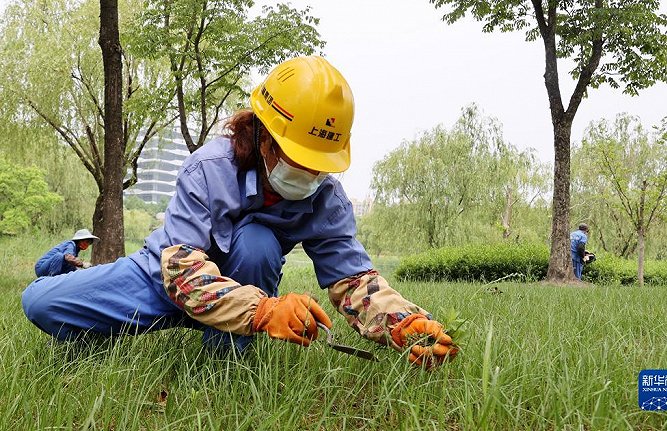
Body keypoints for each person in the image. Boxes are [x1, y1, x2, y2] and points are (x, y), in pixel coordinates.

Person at [21, 56, 458, 368]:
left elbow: (354, 280)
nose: (310, 174)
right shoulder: (208, 168)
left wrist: (402, 322)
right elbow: (180, 270)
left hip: (241, 290)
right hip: (163, 278)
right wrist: (264, 312)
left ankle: (225, 362)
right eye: (299, 158)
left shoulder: (327, 198)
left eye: (320, 164)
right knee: (40, 302)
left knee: (258, 243)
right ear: (263, 137)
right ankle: (100, 331)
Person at [34, 229, 99, 277]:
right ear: (79, 240)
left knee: (72, 267)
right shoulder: (71, 244)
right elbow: (68, 257)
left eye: (90, 242)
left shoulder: (75, 251)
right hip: (41, 268)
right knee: (59, 256)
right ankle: (52, 279)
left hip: (51, 267)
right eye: (87, 241)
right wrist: (82, 264)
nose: (88, 244)